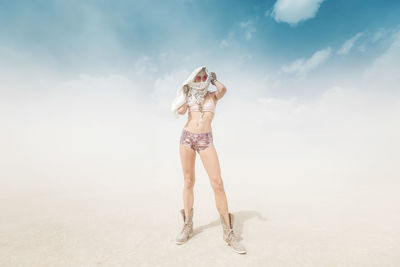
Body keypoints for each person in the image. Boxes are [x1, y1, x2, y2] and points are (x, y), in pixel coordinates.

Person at [170, 66, 247, 254]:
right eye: (199, 76)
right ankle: (187, 226)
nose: (202, 78)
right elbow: (179, 112)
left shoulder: (213, 96)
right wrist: (185, 97)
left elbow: (223, 90)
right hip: (187, 138)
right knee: (188, 181)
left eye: (205, 76)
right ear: (194, 79)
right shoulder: (190, 95)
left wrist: (213, 80)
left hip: (205, 140)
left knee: (217, 183)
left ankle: (228, 233)